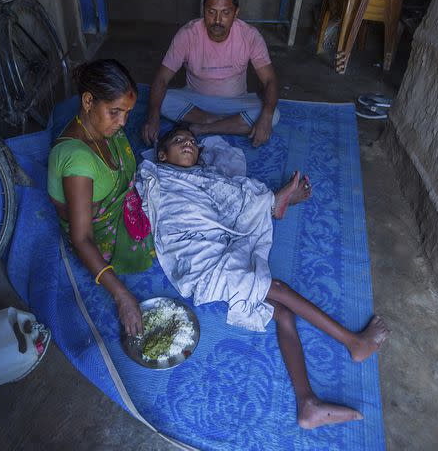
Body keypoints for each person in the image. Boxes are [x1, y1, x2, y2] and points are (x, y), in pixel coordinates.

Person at [138, 125, 390, 430]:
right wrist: (270, 201)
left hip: (219, 242)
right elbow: (172, 216)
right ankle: (353, 342)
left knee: (282, 312)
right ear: (162, 155)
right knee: (278, 289)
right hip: (197, 260)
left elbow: (228, 198)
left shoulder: (205, 176)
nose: (189, 144)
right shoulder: (160, 178)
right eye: (179, 141)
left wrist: (263, 202)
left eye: (192, 141)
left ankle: (307, 403)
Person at [48, 59, 154, 337]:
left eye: (127, 113)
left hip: (115, 203)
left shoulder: (98, 128)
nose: (122, 123)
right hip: (99, 231)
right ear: (87, 101)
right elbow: (81, 238)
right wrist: (122, 296)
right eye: (115, 112)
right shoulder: (78, 161)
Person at [142, 0, 280, 148]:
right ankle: (226, 123)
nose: (217, 20)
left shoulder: (250, 36)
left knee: (273, 115)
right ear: (204, 10)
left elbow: (270, 80)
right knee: (161, 101)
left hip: (235, 101)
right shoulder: (188, 34)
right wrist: (153, 117)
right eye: (211, 12)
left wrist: (265, 117)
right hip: (197, 102)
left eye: (225, 13)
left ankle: (203, 128)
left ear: (236, 13)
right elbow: (162, 78)